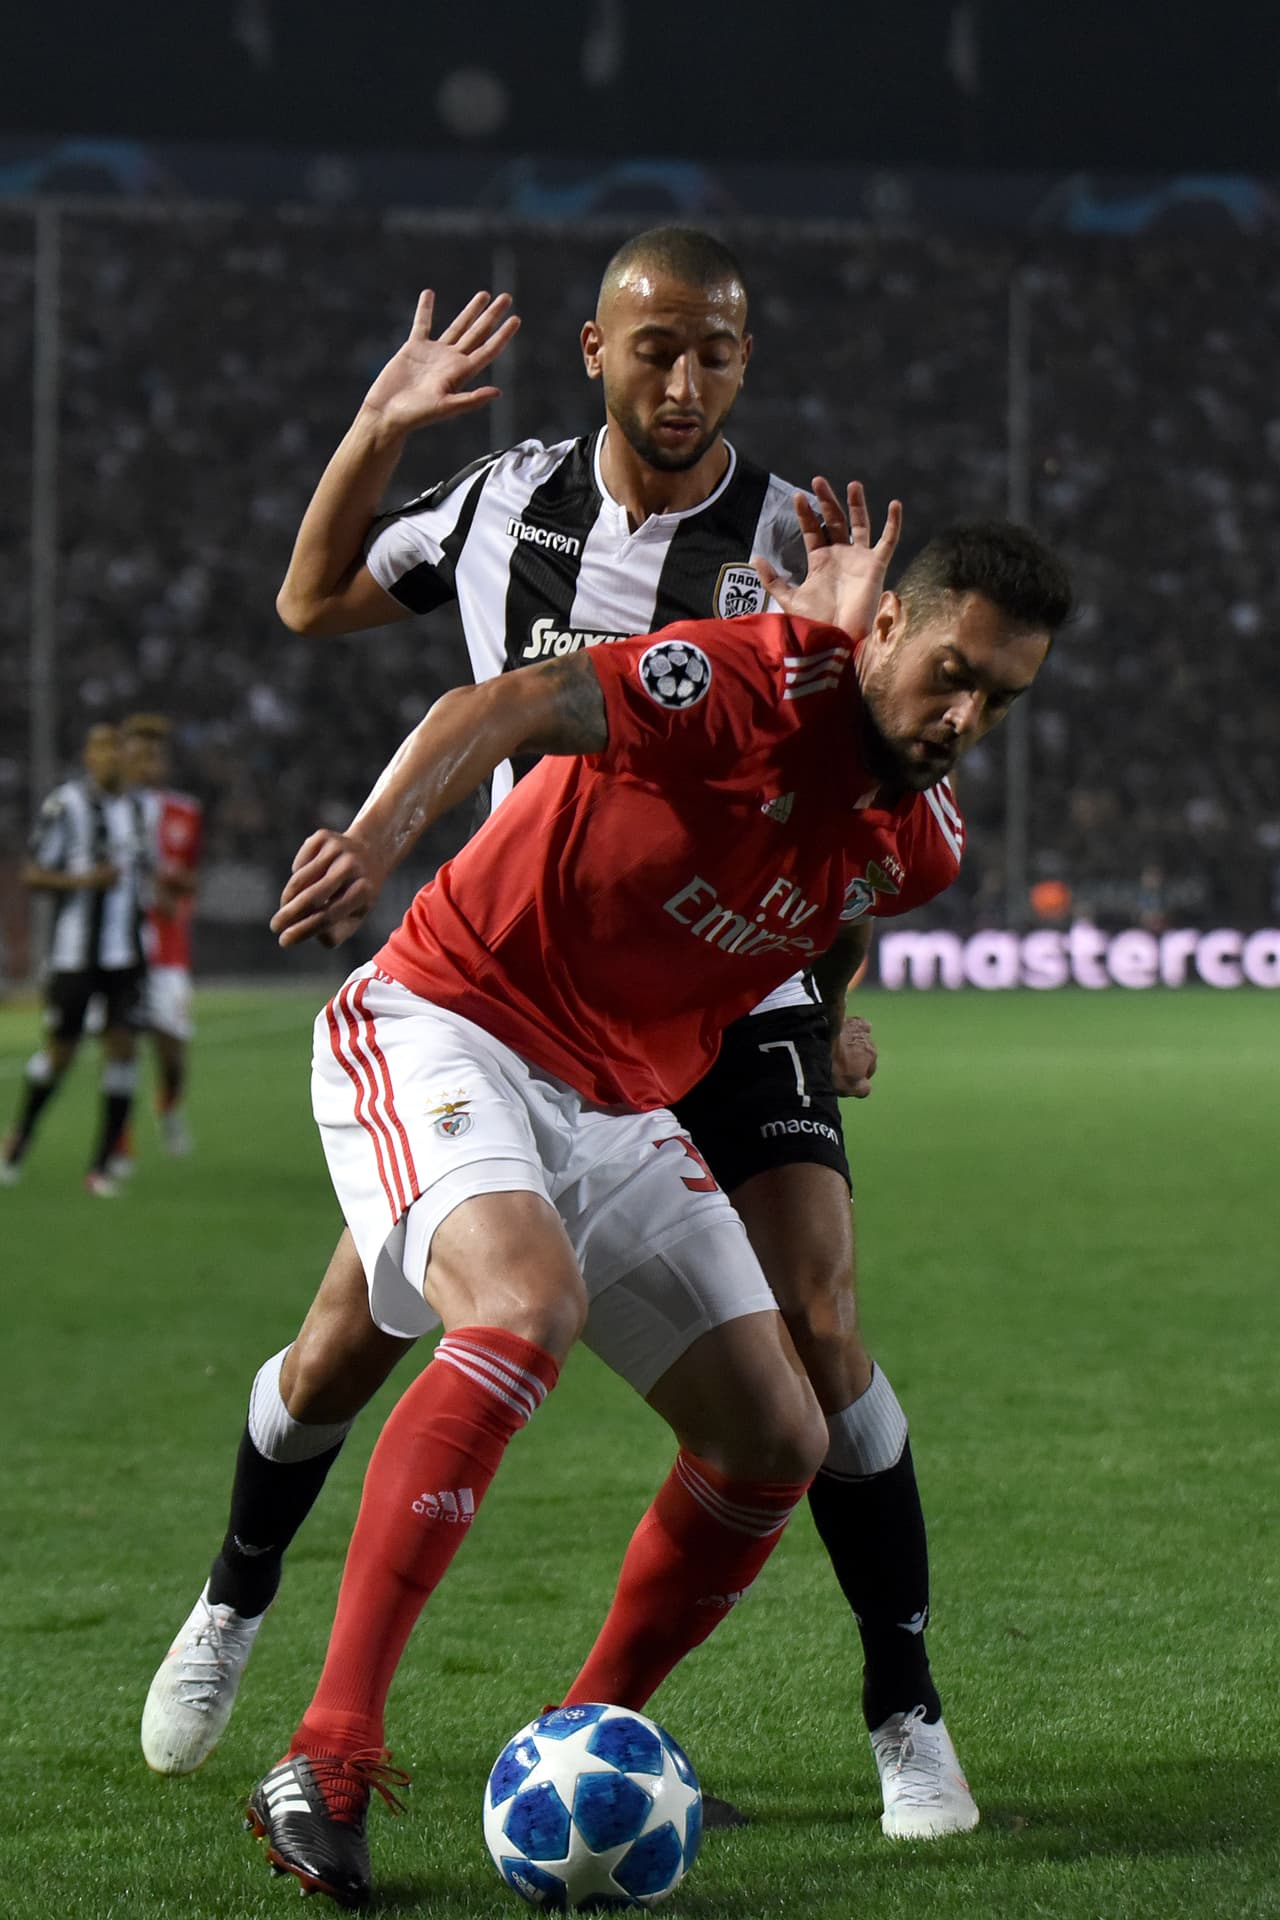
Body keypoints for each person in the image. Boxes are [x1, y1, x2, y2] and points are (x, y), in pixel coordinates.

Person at [147, 228, 969, 1834]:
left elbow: (865, 801)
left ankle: (903, 1709)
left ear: (748, 360)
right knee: (356, 1337)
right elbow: (311, 603)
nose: (687, 382)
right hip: (517, 965)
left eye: (719, 353)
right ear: (593, 350)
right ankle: (241, 1601)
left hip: (728, 991)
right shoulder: (501, 501)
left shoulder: (802, 539)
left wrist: (829, 1003)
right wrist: (381, 428)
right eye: (657, 349)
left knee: (813, 1327)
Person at [237, 485, 1070, 1905]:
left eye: (999, 701)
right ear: (882, 631)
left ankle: (588, 1736)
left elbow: (821, 904)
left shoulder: (919, 845)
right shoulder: (736, 678)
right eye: (952, 675)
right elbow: (502, 707)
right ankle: (325, 1751)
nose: (967, 721)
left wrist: (820, 1024)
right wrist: (378, 842)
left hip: (613, 1099)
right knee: (520, 1310)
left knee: (776, 1436)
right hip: (450, 1019)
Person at [1, 722, 150, 1196]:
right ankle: (18, 1142)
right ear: (88, 757)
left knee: (124, 1048)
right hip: (74, 955)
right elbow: (32, 873)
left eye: (117, 750)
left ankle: (101, 1167)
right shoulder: (65, 806)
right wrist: (85, 882)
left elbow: (139, 873)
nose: (110, 758)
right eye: (101, 749)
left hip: (125, 954)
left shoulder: (136, 809)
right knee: (61, 1054)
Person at [120, 713, 203, 1159]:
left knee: (171, 1053)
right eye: (138, 753)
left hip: (168, 949)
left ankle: (169, 1108)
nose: (147, 761)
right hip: (117, 947)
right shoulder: (105, 811)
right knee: (121, 1043)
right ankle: (119, 1139)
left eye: (154, 753)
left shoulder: (184, 812)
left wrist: (175, 891)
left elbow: (191, 878)